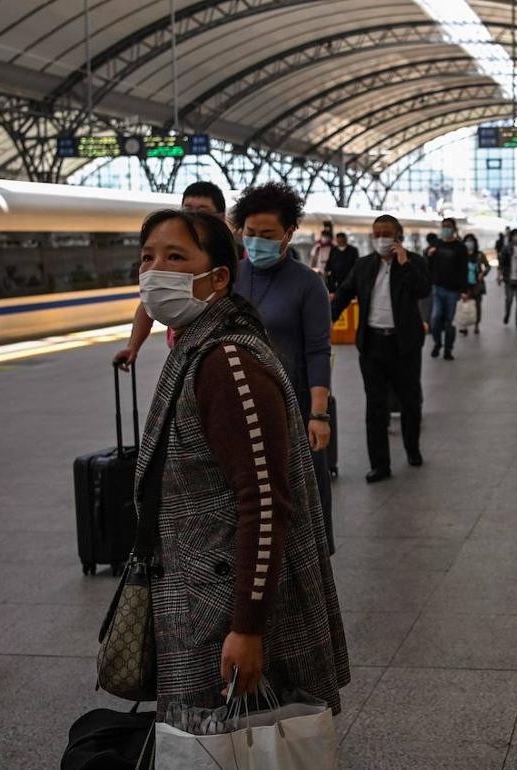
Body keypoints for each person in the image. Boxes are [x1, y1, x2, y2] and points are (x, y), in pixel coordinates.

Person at [132, 208, 349, 717]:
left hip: (220, 601)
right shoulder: (197, 342)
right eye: (146, 257)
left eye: (175, 257)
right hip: (201, 588)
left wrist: (248, 627)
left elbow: (266, 501)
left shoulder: (227, 363)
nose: (154, 270)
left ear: (218, 277)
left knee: (225, 739)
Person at [230, 182, 335, 554]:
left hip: (289, 409)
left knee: (296, 499)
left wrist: (318, 413)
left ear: (289, 233)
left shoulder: (308, 284)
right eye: (250, 233)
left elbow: (318, 351)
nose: (256, 241)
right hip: (235, 409)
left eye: (268, 235)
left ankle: (306, 577)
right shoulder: (228, 277)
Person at [330, 215, 431, 483]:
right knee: (375, 405)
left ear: (399, 236)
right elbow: (344, 293)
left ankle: (412, 448)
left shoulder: (414, 262)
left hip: (404, 345)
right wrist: (326, 319)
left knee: (409, 401)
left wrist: (405, 264)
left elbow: (422, 291)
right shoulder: (363, 265)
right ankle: (380, 465)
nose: (381, 239)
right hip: (372, 344)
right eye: (377, 234)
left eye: (387, 233)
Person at [114, 181, 227, 369]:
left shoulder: (231, 258)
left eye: (202, 212)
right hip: (182, 353)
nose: (193, 218)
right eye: (187, 210)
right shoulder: (167, 251)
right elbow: (149, 302)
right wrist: (133, 347)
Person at [425, 218, 470, 360]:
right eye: (443, 226)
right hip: (437, 288)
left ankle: (448, 349)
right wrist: (429, 255)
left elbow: (464, 270)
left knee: (450, 321)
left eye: (449, 226)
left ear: (454, 229)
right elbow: (427, 265)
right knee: (435, 318)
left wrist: (464, 290)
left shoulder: (460, 247)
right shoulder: (436, 244)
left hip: (453, 290)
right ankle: (437, 343)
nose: (446, 229)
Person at [459, 233, 490, 336]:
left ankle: (477, 324)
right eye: (467, 241)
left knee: (477, 306)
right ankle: (465, 326)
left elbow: (488, 266)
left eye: (471, 241)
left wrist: (483, 273)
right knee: (465, 305)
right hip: (465, 284)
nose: (469, 243)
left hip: (477, 285)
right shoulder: (461, 255)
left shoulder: (480, 255)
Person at [498, 228, 517, 328]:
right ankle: (507, 315)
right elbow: (501, 263)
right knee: (509, 299)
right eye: (515, 235)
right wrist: (499, 276)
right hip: (508, 278)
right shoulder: (506, 248)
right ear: (511, 237)